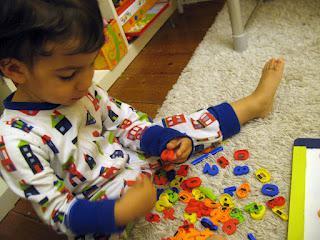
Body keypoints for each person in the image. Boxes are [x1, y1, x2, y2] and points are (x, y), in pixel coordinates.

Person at [0, 0, 285, 239]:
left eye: (92, 64)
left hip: (131, 157)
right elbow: (57, 209)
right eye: (68, 74)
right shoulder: (15, 140)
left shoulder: (82, 91)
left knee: (182, 127)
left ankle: (254, 104)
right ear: (15, 69)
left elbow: (124, 122)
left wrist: (163, 140)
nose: (87, 80)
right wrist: (119, 212)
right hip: (97, 201)